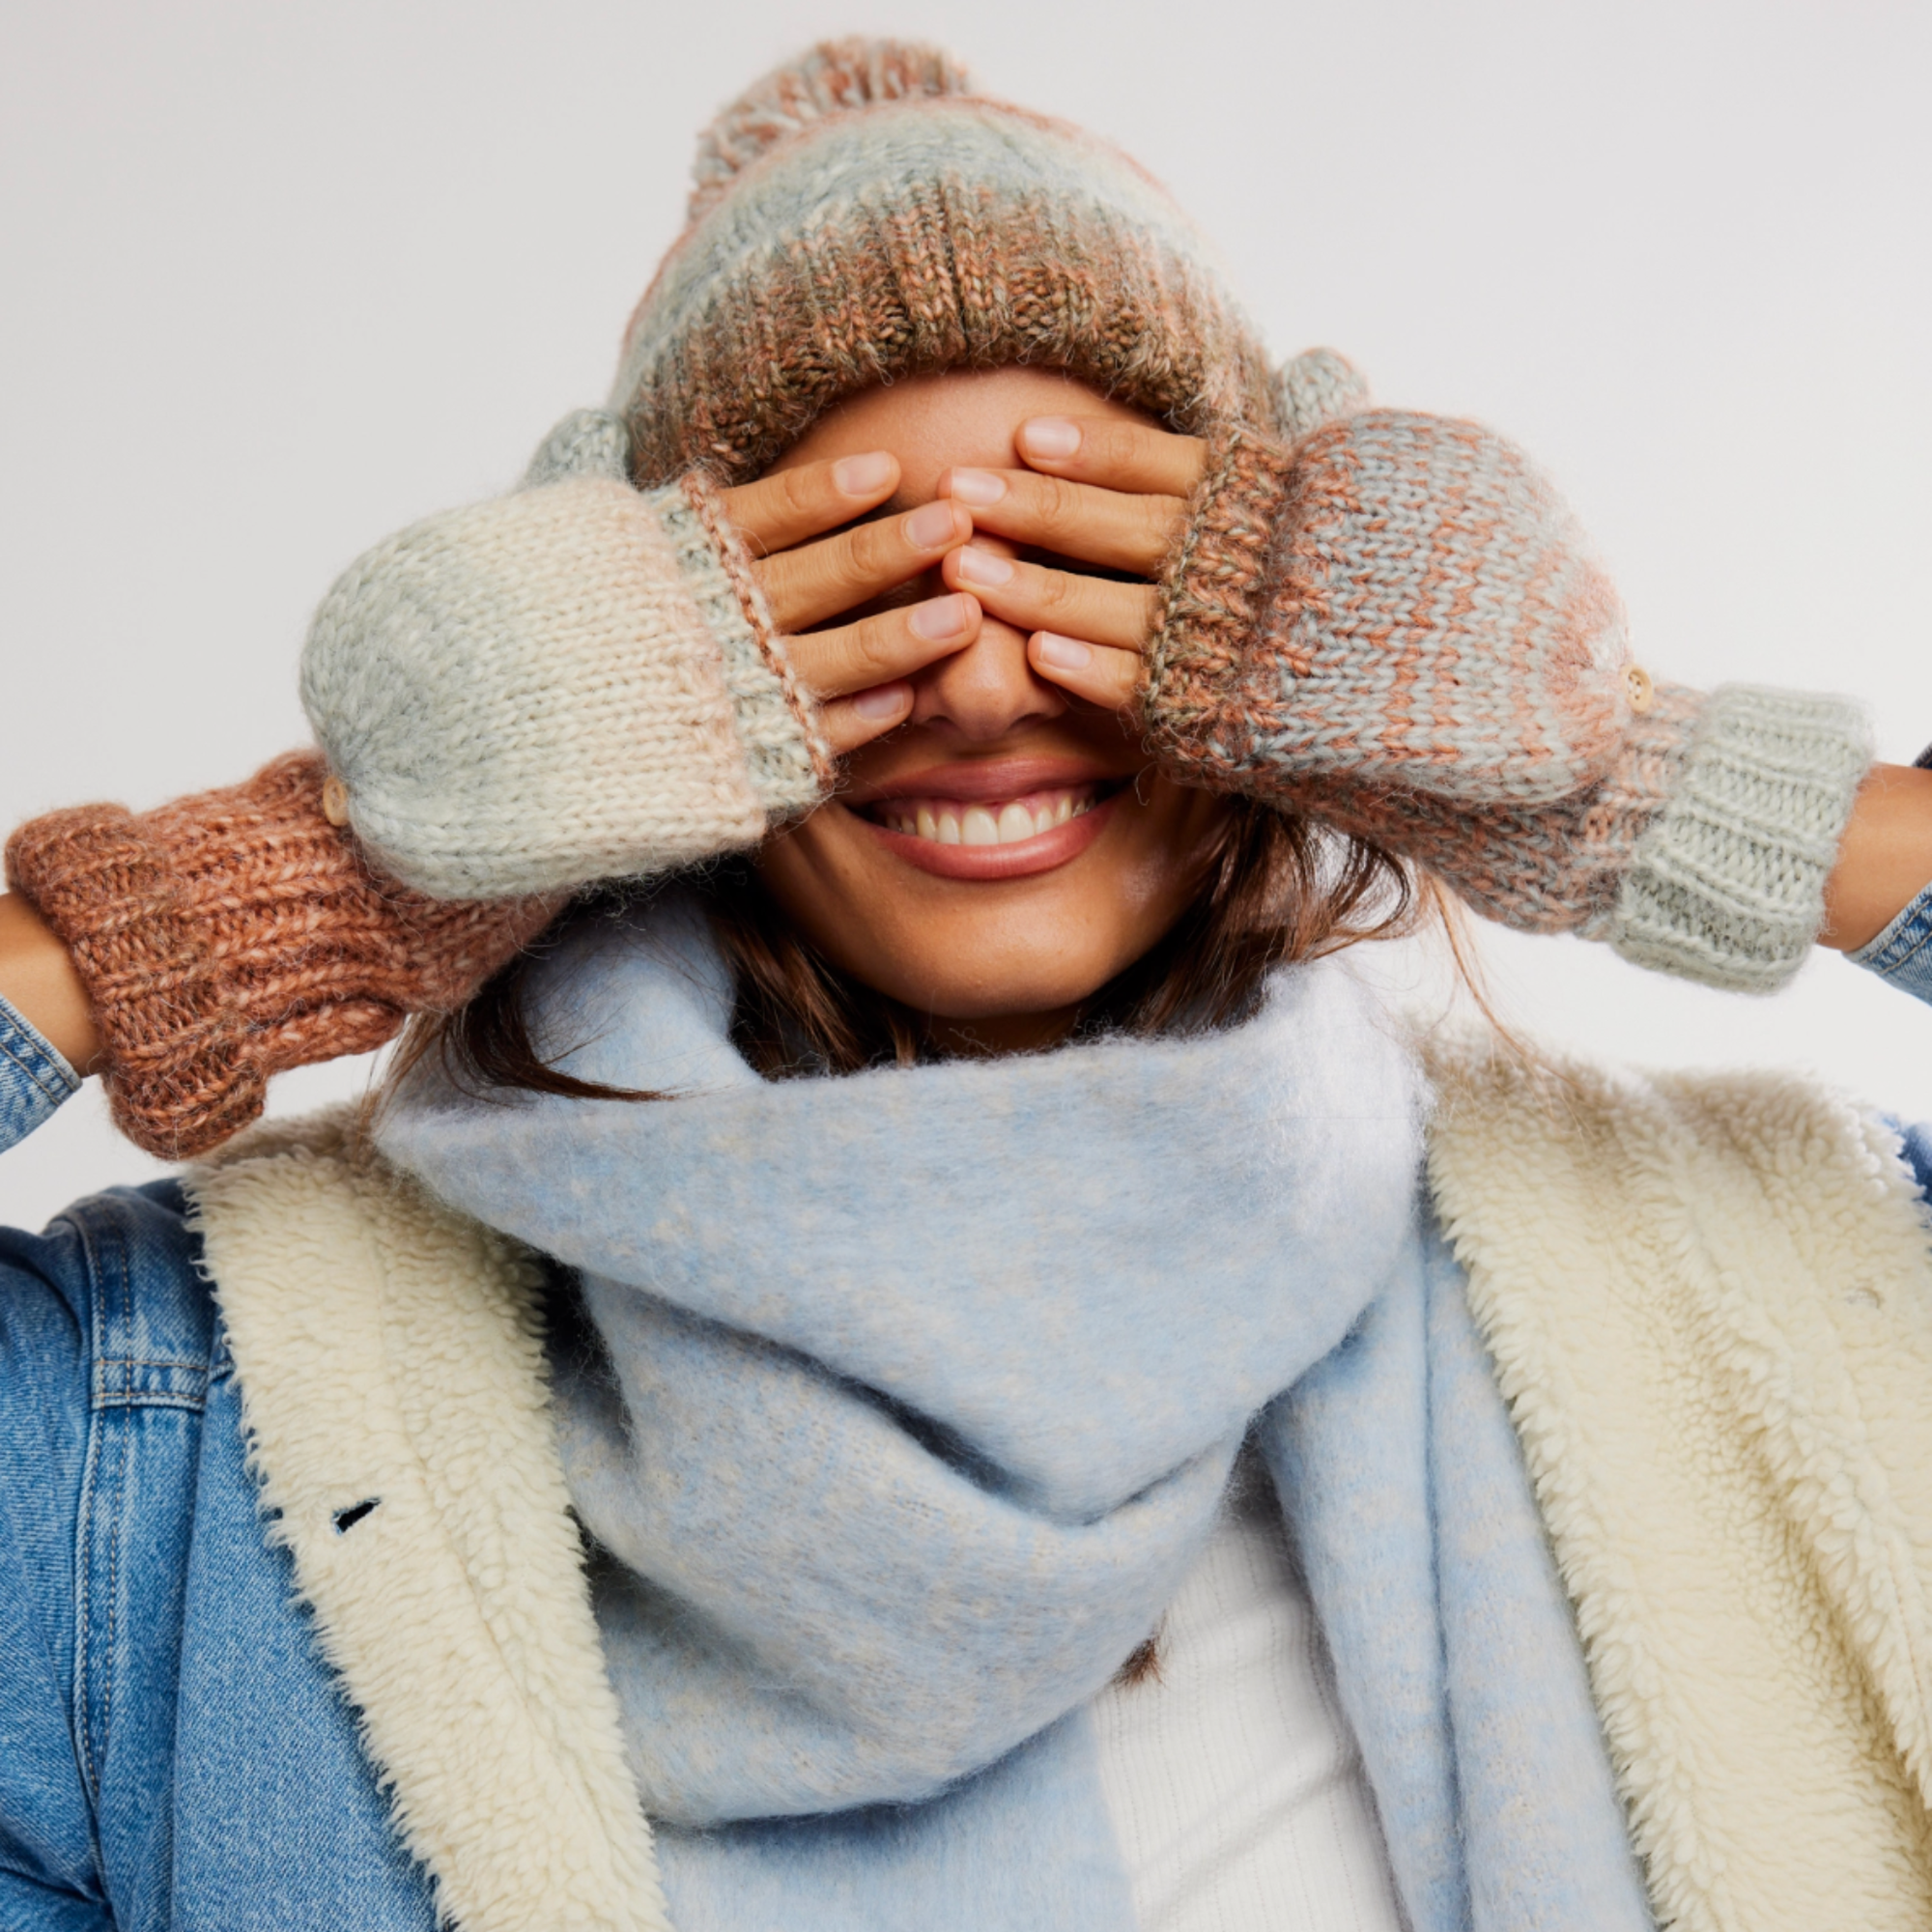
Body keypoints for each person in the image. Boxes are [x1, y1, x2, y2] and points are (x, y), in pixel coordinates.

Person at [2, 39, 1930, 1932]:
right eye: (856, 604)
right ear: (640, 694)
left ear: (1297, 662)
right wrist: (280, 891)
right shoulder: (169, 1425)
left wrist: (1637, 782)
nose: (992, 687)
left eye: (1095, 580)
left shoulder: (1783, 1269)